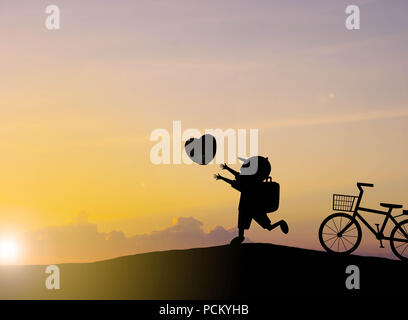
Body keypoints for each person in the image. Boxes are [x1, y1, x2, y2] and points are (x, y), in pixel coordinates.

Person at [214, 156, 289, 245]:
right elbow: (237, 177)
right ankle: (240, 237)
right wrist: (225, 171)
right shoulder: (249, 182)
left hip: (253, 208)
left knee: (267, 227)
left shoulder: (250, 185)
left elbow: (235, 179)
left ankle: (281, 222)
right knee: (243, 226)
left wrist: (223, 176)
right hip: (247, 208)